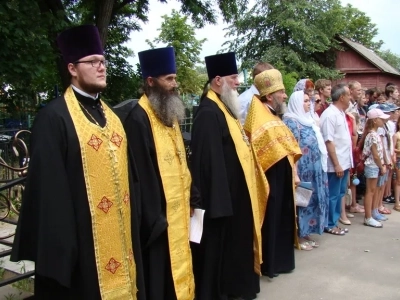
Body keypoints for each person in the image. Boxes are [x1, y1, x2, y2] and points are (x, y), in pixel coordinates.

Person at [11, 25, 144, 299]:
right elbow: (49, 196)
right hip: (82, 249)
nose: (101, 67)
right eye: (93, 62)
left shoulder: (113, 118)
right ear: (72, 68)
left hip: (121, 243)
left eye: (103, 61)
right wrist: (65, 253)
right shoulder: (53, 118)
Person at [190, 52, 268, 300]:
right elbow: (207, 163)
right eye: (233, 77)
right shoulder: (208, 112)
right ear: (218, 80)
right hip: (221, 202)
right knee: (218, 252)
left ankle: (237, 288)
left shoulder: (224, 107)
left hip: (235, 195)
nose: (238, 82)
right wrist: (221, 204)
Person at [123, 47, 197, 300]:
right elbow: (141, 175)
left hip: (178, 211)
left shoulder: (169, 114)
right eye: (169, 79)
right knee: (159, 280)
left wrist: (191, 197)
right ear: (150, 82)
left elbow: (182, 163)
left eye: (175, 78)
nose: (175, 84)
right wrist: (157, 219)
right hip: (157, 222)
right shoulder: (138, 118)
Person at [244, 69, 302, 277]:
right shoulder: (259, 116)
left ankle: (283, 261)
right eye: (282, 92)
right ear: (269, 95)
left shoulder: (274, 115)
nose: (285, 96)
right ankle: (270, 263)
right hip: (270, 177)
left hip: (282, 175)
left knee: (284, 217)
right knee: (272, 218)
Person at [283, 91, 328, 250]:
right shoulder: (291, 122)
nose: (309, 103)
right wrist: (295, 173)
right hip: (301, 170)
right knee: (301, 203)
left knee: (310, 202)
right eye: (305, 101)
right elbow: (291, 148)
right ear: (296, 102)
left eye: (309, 101)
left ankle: (306, 232)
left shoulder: (308, 120)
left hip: (314, 170)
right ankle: (298, 236)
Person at [320, 83, 353, 236]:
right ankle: (329, 224)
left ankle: (334, 221)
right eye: (348, 95)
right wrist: (337, 164)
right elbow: (329, 141)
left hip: (344, 163)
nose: (350, 97)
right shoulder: (329, 114)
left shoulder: (340, 113)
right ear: (341, 97)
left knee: (339, 193)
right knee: (332, 195)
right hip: (335, 165)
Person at [358, 109, 389, 227]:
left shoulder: (373, 134)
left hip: (373, 166)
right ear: (375, 121)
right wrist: (381, 167)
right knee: (370, 192)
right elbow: (375, 155)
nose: (383, 121)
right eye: (381, 119)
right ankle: (368, 217)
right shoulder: (372, 135)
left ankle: (370, 215)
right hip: (372, 166)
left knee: (372, 191)